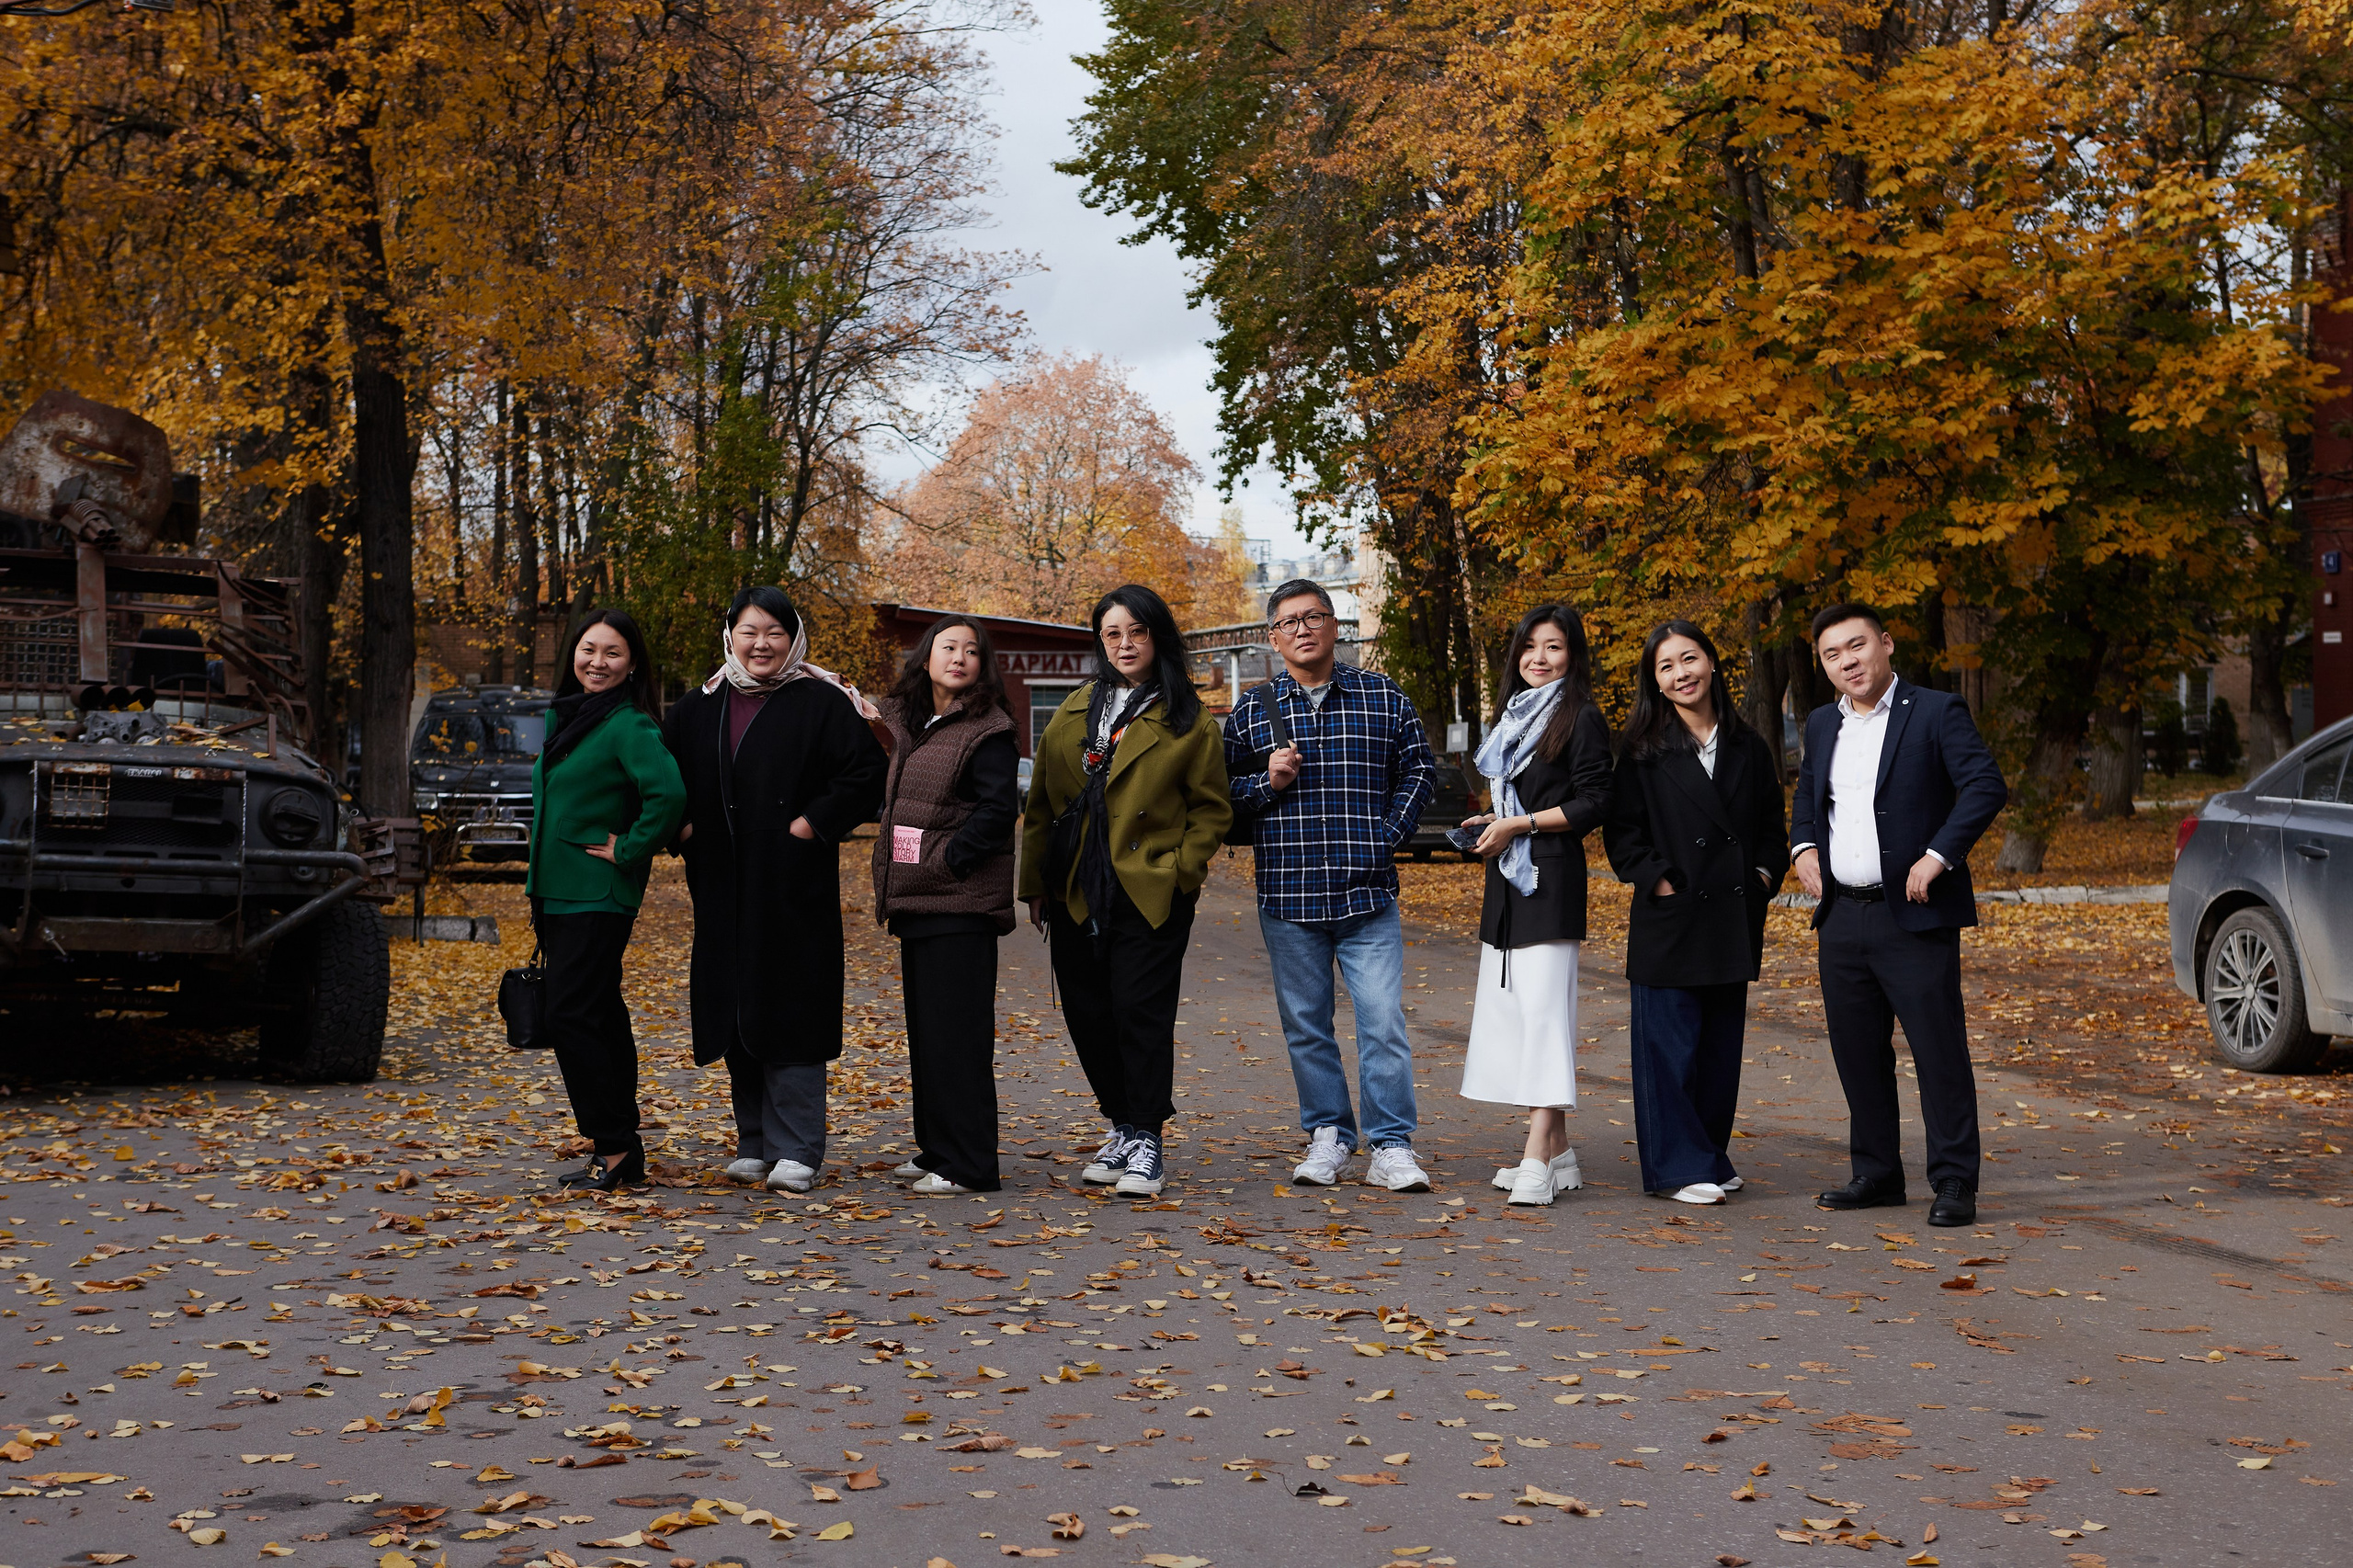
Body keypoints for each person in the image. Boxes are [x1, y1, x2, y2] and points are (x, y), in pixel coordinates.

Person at [665, 585, 888, 1194]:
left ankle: (799, 1149)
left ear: (793, 640)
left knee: (792, 1007)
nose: (761, 644)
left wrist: (812, 824)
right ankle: (754, 1142)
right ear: (730, 636)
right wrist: (680, 829)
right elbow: (658, 778)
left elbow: (866, 774)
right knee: (737, 1010)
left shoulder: (822, 702)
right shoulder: (697, 707)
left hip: (793, 885)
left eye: (775, 633)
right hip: (722, 884)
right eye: (750, 631)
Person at [1790, 604, 2007, 1227]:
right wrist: (1803, 846)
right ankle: (1878, 1173)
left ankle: (1954, 1181)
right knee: (1857, 1052)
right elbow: (1809, 796)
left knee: (1938, 1052)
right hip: (1842, 917)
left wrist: (1938, 856)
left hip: (1913, 914)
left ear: (1885, 644)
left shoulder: (1936, 712)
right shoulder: (1822, 725)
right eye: (1833, 655)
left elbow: (1985, 786)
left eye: (1856, 646)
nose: (1847, 662)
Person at [1223, 577, 1438, 1191]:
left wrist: (1388, 833)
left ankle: (1391, 1144)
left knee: (1382, 1022)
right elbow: (1217, 797)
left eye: (1312, 617)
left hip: (1366, 892)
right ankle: (1330, 1136)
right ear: (1273, 637)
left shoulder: (1381, 696)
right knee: (1307, 1026)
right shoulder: (1253, 711)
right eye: (1288, 622)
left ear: (1334, 625)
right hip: (1289, 898)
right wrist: (1266, 782)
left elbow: (1419, 768)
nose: (1301, 629)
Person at [1019, 584, 1232, 1199]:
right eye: (1113, 634)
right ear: (1101, 642)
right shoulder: (1077, 707)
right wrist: (1035, 884)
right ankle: (1122, 1126)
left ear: (1156, 636)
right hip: (1075, 887)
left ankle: (1147, 1141)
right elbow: (1041, 805)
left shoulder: (1186, 717)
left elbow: (1212, 810)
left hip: (1148, 888)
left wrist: (1179, 870)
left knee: (1140, 1013)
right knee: (1088, 1013)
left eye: (1136, 631)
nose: (1125, 643)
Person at [1603, 620, 1789, 1205]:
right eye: (1666, 666)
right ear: (1655, 682)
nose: (1680, 673)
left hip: (1733, 916)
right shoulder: (1640, 751)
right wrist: (1657, 881)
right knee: (1669, 1050)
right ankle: (1678, 1167)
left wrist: (1761, 877)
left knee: (1717, 1051)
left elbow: (1769, 830)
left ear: (1711, 663)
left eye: (1689, 659)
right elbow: (1622, 834)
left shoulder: (1749, 746)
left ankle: (1708, 1153)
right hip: (1672, 918)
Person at [1459, 603, 1614, 1206]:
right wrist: (1496, 822)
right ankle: (1562, 1152)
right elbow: (1525, 803)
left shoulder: (1582, 717)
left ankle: (1534, 1158)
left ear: (1572, 656)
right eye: (1530, 647)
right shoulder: (1514, 717)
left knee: (1546, 1016)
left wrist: (1518, 824)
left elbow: (1594, 803)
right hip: (1509, 882)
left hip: (1549, 882)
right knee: (1521, 1011)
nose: (1539, 659)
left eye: (1553, 647)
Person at [526, 608, 686, 1193]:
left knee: (572, 1015)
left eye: (612, 653)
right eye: (589, 649)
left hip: (596, 893)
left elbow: (668, 795)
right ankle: (621, 1149)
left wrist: (631, 849)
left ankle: (614, 1146)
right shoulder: (564, 716)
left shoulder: (628, 725)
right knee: (596, 1011)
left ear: (633, 663)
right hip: (556, 890)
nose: (597, 661)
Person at [871, 616, 1020, 1196]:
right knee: (930, 1036)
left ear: (983, 664)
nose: (958, 657)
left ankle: (970, 1164)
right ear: (926, 656)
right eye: (947, 646)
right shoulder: (910, 719)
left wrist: (946, 861)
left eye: (971, 650)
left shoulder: (988, 728)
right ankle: (937, 1148)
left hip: (958, 905)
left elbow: (994, 812)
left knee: (958, 1038)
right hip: (916, 903)